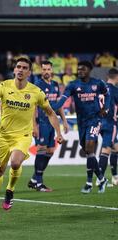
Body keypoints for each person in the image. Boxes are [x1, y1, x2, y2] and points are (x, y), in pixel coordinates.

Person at [0, 58, 64, 218]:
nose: (20, 69)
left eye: (24, 68)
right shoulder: (4, 86)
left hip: (23, 136)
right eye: (18, 67)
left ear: (29, 72)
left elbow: (51, 113)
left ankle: (10, 190)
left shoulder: (35, 92)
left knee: (16, 162)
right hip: (3, 136)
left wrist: (59, 133)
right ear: (14, 70)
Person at [52, 61, 111, 194]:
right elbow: (63, 99)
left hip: (95, 119)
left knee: (90, 148)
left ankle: (89, 183)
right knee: (87, 152)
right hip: (82, 122)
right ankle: (101, 179)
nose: (79, 71)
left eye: (83, 69)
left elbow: (107, 94)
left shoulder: (98, 83)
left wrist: (105, 108)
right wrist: (52, 108)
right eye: (78, 69)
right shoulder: (73, 85)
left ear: (89, 70)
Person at [28, 61, 69, 192]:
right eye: (44, 69)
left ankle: (35, 179)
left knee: (50, 151)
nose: (46, 71)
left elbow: (59, 105)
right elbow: (32, 107)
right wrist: (34, 125)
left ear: (52, 70)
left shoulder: (56, 85)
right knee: (41, 149)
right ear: (41, 71)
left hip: (52, 123)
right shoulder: (37, 86)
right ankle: (39, 183)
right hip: (41, 123)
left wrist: (64, 121)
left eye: (48, 69)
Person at [97, 68, 118, 186]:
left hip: (100, 122)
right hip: (110, 123)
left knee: (116, 148)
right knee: (106, 149)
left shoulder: (101, 89)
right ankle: (100, 179)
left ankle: (115, 177)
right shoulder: (115, 90)